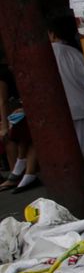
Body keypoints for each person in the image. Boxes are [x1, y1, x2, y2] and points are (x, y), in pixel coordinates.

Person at [47, 14, 84, 191]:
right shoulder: (76, 53)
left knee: (71, 151)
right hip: (83, 106)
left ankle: (77, 184)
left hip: (63, 110)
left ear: (51, 34)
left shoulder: (48, 53)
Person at [0, 61, 39, 194]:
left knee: (24, 139)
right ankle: (21, 172)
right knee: (25, 140)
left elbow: (3, 101)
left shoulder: (3, 75)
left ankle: (22, 173)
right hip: (20, 107)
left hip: (20, 108)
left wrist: (4, 125)